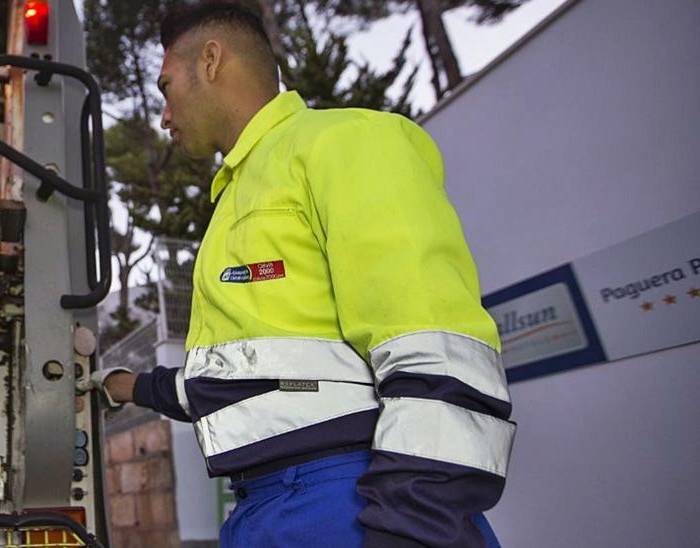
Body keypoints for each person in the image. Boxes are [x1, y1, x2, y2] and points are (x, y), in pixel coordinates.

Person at [83, 2, 515, 546]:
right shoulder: (239, 198)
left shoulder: (345, 142)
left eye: (167, 87)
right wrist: (123, 387)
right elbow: (257, 381)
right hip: (268, 509)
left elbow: (437, 352)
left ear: (211, 61)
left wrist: (414, 526)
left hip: (351, 501)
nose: (164, 115)